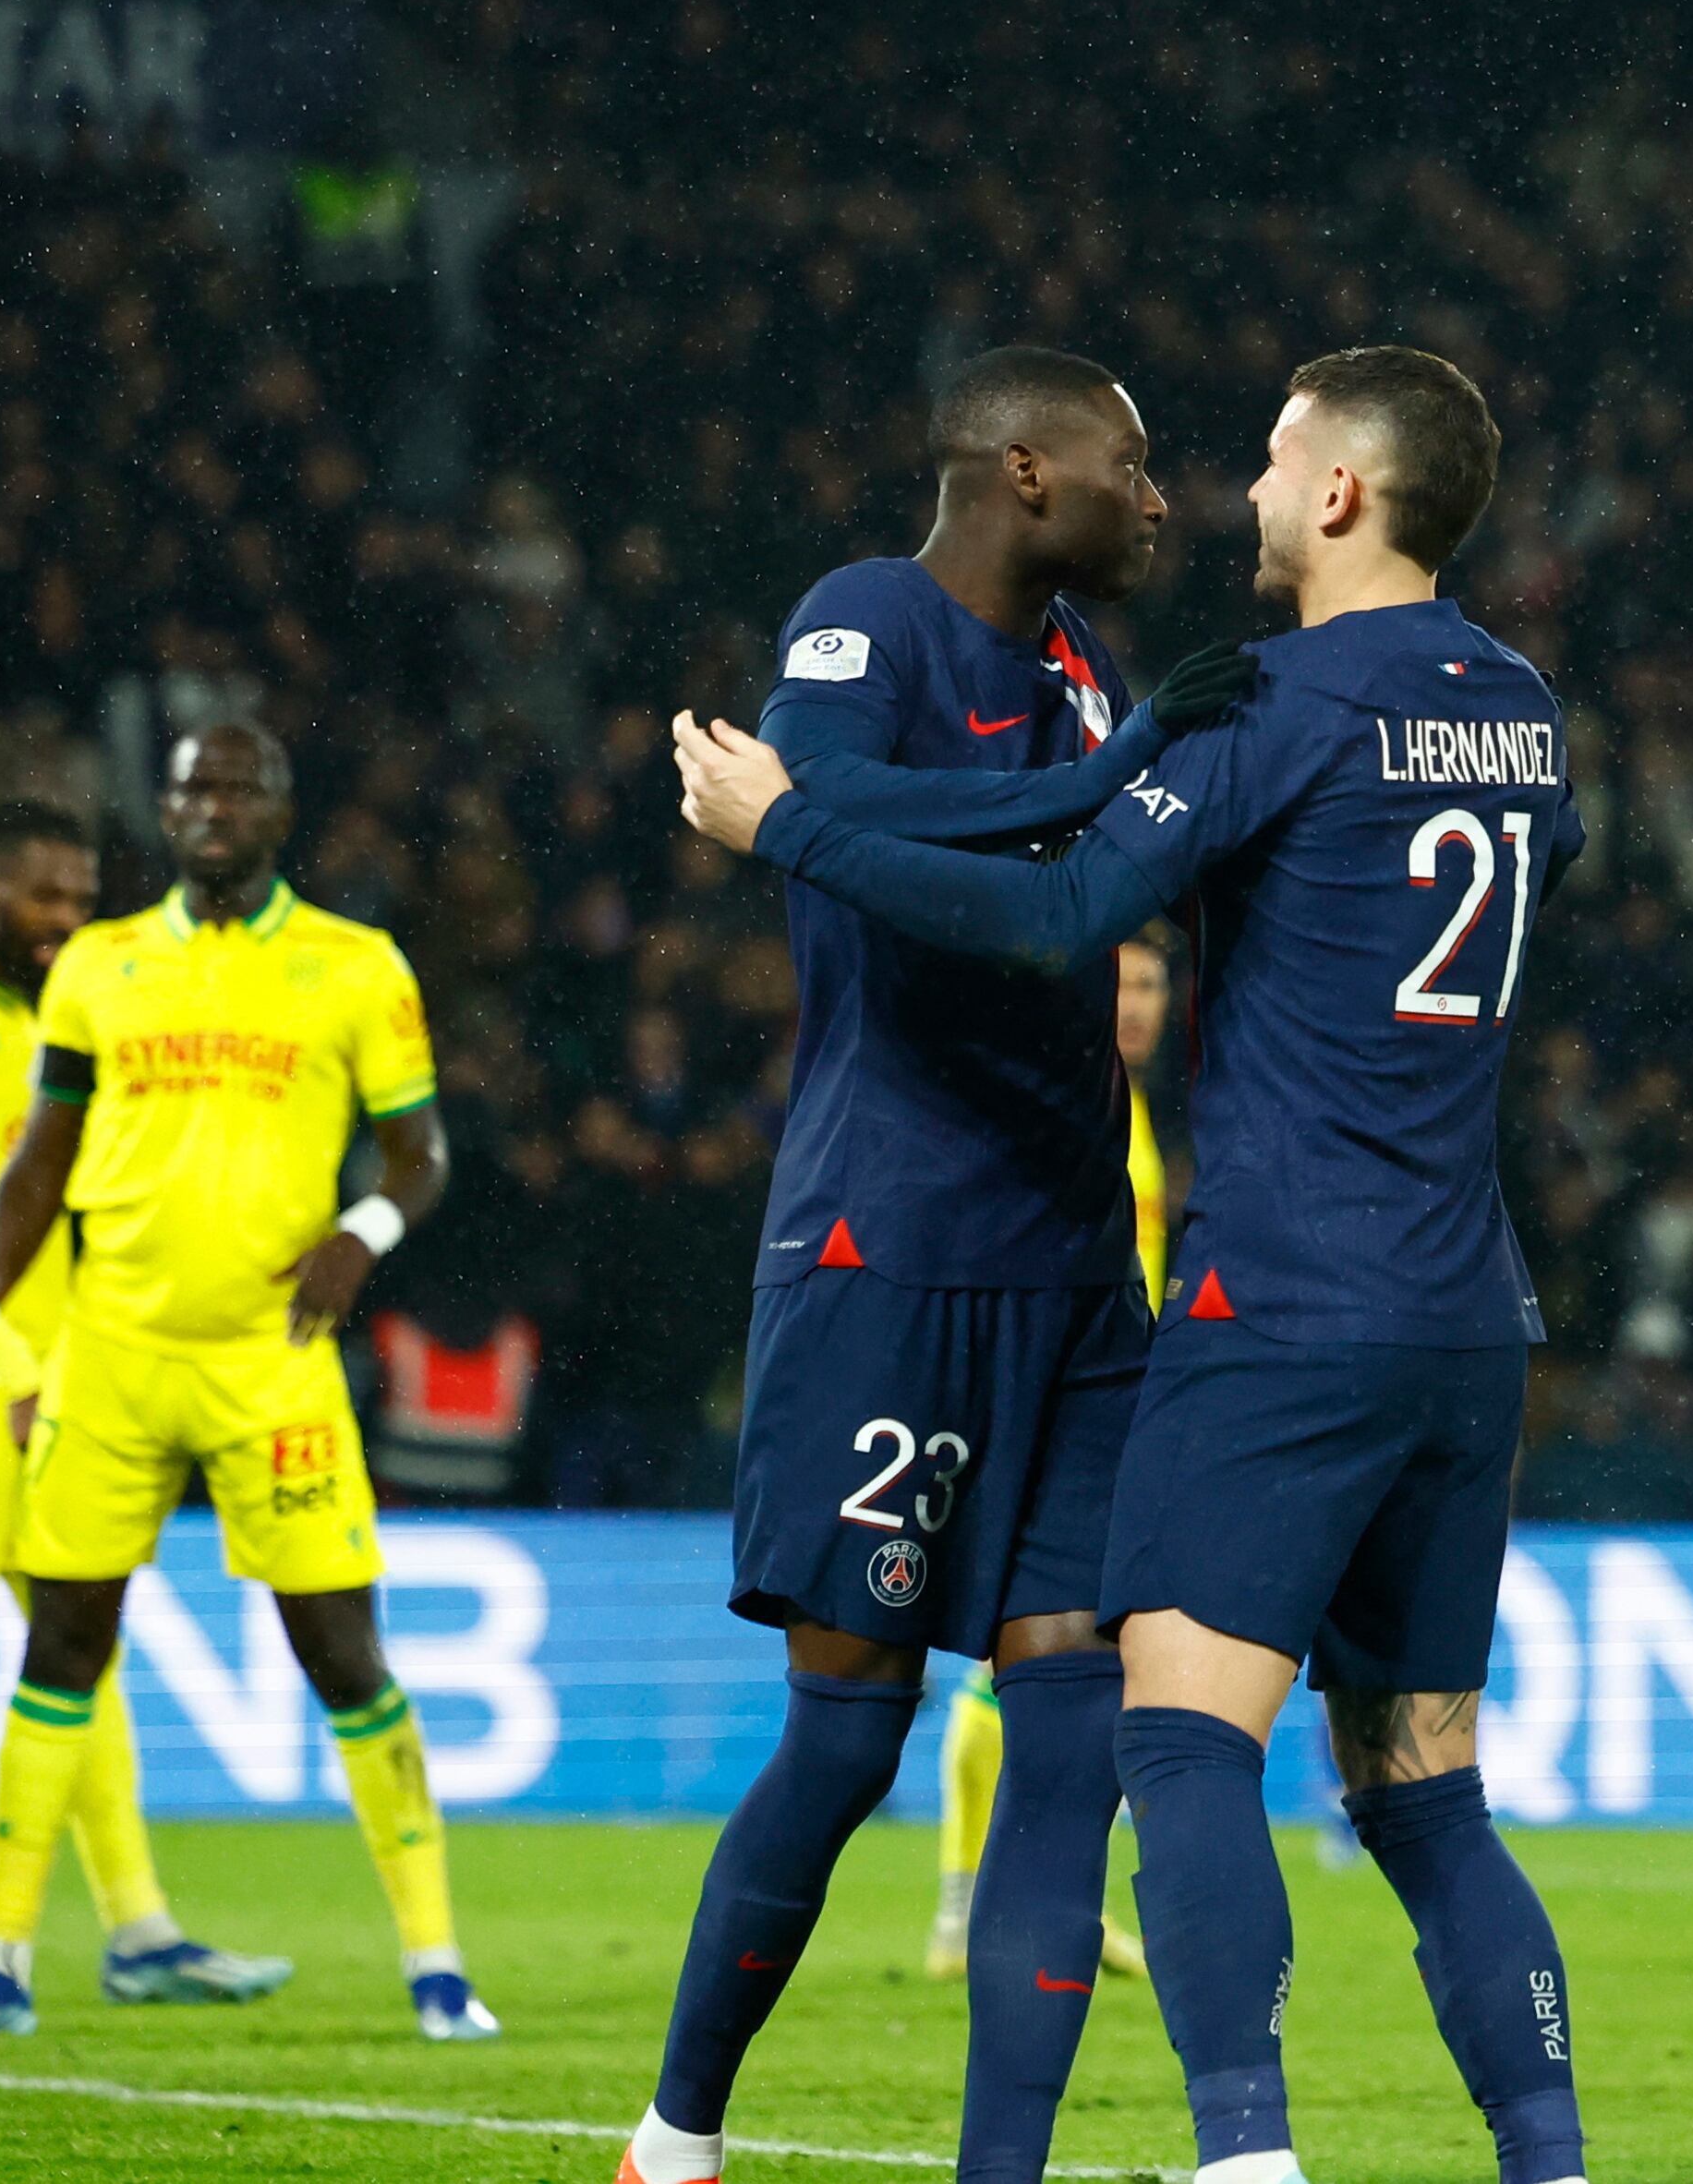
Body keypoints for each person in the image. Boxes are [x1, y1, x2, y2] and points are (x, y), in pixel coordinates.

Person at [680, 345, 1588, 2184]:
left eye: (1262, 460)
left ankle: (1243, 2157)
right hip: (1464, 1310)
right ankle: (1547, 2166)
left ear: (1338, 492)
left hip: (1276, 1307)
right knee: (1422, 1788)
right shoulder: (1522, 709)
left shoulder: (1274, 696)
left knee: (1172, 1751)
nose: (1226, 497)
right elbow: (1505, 871)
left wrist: (783, 824)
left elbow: (1063, 911)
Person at [618, 345, 1255, 2184]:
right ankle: (673, 2140)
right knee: (847, 1734)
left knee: (1069, 1729)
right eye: (1133, 468)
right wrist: (1112, 777)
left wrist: (1139, 764)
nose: (1161, 502)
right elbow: (820, 809)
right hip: (888, 1245)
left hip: (1076, 1264)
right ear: (1027, 469)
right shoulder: (862, 622)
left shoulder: (1086, 673)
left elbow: (1071, 874)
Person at [0, 722, 481, 2042]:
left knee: (342, 1651)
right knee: (60, 1642)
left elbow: (420, 1155)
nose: (211, 805)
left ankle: (438, 1965)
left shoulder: (354, 966)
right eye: (188, 789)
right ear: (161, 816)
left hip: (270, 1361)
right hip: (109, 1352)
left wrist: (364, 1233)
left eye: (235, 785)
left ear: (280, 809)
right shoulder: (100, 967)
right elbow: (34, 1170)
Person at [0, 801, 284, 2011]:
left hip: (53, 1378)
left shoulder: (61, 1025)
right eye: (42, 896)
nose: (64, 921)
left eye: (82, 900)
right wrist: (14, 1365)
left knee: (72, 1647)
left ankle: (138, 1926)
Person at [932, 929, 1182, 1985]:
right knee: (1022, 1661)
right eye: (1119, 980)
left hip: (1126, 1401)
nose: (1134, 1002)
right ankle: (966, 1908)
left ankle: (1032, 1898)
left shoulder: (1135, 1110)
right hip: (1053, 1398)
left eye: (1151, 983)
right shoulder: (1066, 1098)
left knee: (1089, 1663)